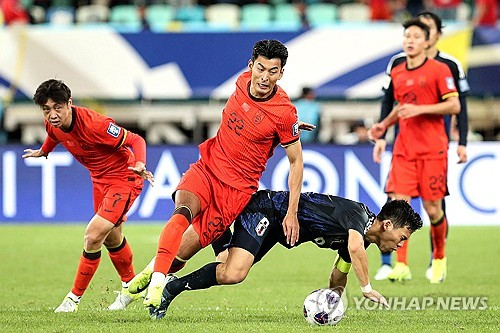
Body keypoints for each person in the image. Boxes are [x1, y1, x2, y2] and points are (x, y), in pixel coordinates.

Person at [140, 39, 308, 310]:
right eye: (260, 69)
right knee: (182, 210)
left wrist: (292, 211)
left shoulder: (285, 114)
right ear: (250, 66)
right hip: (208, 168)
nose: (264, 77)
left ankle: (149, 277)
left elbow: (296, 162)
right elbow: (253, 117)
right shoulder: (241, 81)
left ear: (281, 73)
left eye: (273, 71)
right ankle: (140, 288)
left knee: (183, 251)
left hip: (234, 191)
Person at [147, 189, 423, 320]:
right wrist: (367, 288)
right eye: (402, 237)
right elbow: (354, 248)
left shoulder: (359, 238)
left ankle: (173, 285)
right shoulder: (358, 215)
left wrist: (331, 303)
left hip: (278, 232)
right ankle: (212, 218)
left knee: (228, 270)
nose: (400, 245)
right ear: (387, 225)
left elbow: (340, 272)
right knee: (235, 272)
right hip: (269, 209)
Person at [22, 79, 154, 313]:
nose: (52, 114)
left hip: (124, 178)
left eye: (58, 108)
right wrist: (44, 151)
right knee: (112, 237)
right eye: (46, 109)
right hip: (99, 180)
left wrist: (141, 163)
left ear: (69, 103)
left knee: (93, 236)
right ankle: (132, 287)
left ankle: (72, 300)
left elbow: (136, 140)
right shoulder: (51, 123)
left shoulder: (95, 124)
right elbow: (54, 135)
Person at [372, 11, 470, 282]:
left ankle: (439, 258)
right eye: (407, 36)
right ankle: (400, 265)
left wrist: (420, 110)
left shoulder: (441, 69)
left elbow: (455, 105)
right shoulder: (398, 69)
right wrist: (382, 128)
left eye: (416, 36)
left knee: (433, 209)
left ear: (428, 41)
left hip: (432, 151)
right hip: (404, 150)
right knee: (399, 207)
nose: (410, 40)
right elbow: (399, 107)